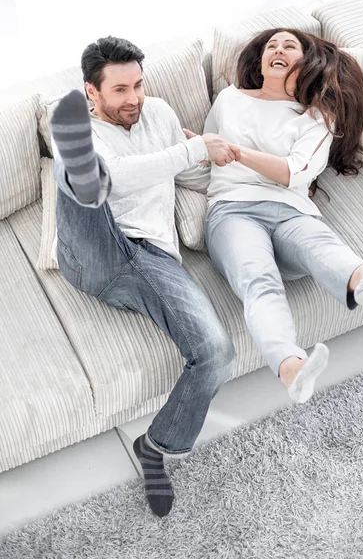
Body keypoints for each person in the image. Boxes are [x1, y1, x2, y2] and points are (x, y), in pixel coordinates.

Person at [50, 36, 238, 518]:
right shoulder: (86, 130)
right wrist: (194, 148)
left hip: (152, 257)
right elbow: (139, 171)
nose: (133, 97)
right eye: (119, 90)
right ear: (91, 94)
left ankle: (155, 447)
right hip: (93, 250)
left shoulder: (158, 112)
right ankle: (84, 176)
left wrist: (227, 165)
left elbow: (183, 171)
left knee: (216, 351)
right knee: (87, 180)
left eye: (137, 84)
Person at [189, 28, 363, 405]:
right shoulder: (229, 99)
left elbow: (295, 172)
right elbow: (206, 155)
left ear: (305, 61)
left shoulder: (317, 117)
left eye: (289, 46)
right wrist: (193, 151)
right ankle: (292, 369)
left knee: (318, 243)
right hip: (233, 210)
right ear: (260, 60)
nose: (278, 50)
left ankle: (361, 280)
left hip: (290, 210)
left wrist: (235, 152)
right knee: (258, 280)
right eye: (271, 46)